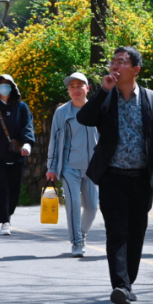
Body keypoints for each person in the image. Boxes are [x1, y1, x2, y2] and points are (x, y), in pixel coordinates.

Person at [77, 46, 153, 304]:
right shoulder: (106, 97)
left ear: (136, 69)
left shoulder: (152, 99)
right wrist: (103, 91)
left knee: (136, 232)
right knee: (117, 232)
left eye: (122, 61)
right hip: (112, 177)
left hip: (142, 178)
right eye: (113, 61)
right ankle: (120, 285)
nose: (116, 66)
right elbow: (84, 117)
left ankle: (128, 282)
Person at [46, 72, 100, 257]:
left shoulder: (97, 109)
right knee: (74, 204)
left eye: (79, 86)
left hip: (93, 167)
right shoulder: (62, 112)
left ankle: (81, 234)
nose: (76, 90)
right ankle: (76, 242)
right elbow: (54, 139)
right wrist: (51, 167)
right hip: (69, 167)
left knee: (92, 207)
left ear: (87, 88)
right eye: (72, 87)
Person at [0, 74, 35, 235]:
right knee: (2, 188)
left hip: (18, 153)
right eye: (1, 84)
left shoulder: (22, 107)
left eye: (7, 84)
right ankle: (5, 221)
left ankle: (9, 213)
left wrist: (27, 143)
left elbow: (27, 126)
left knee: (15, 189)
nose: (4, 87)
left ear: (13, 87)